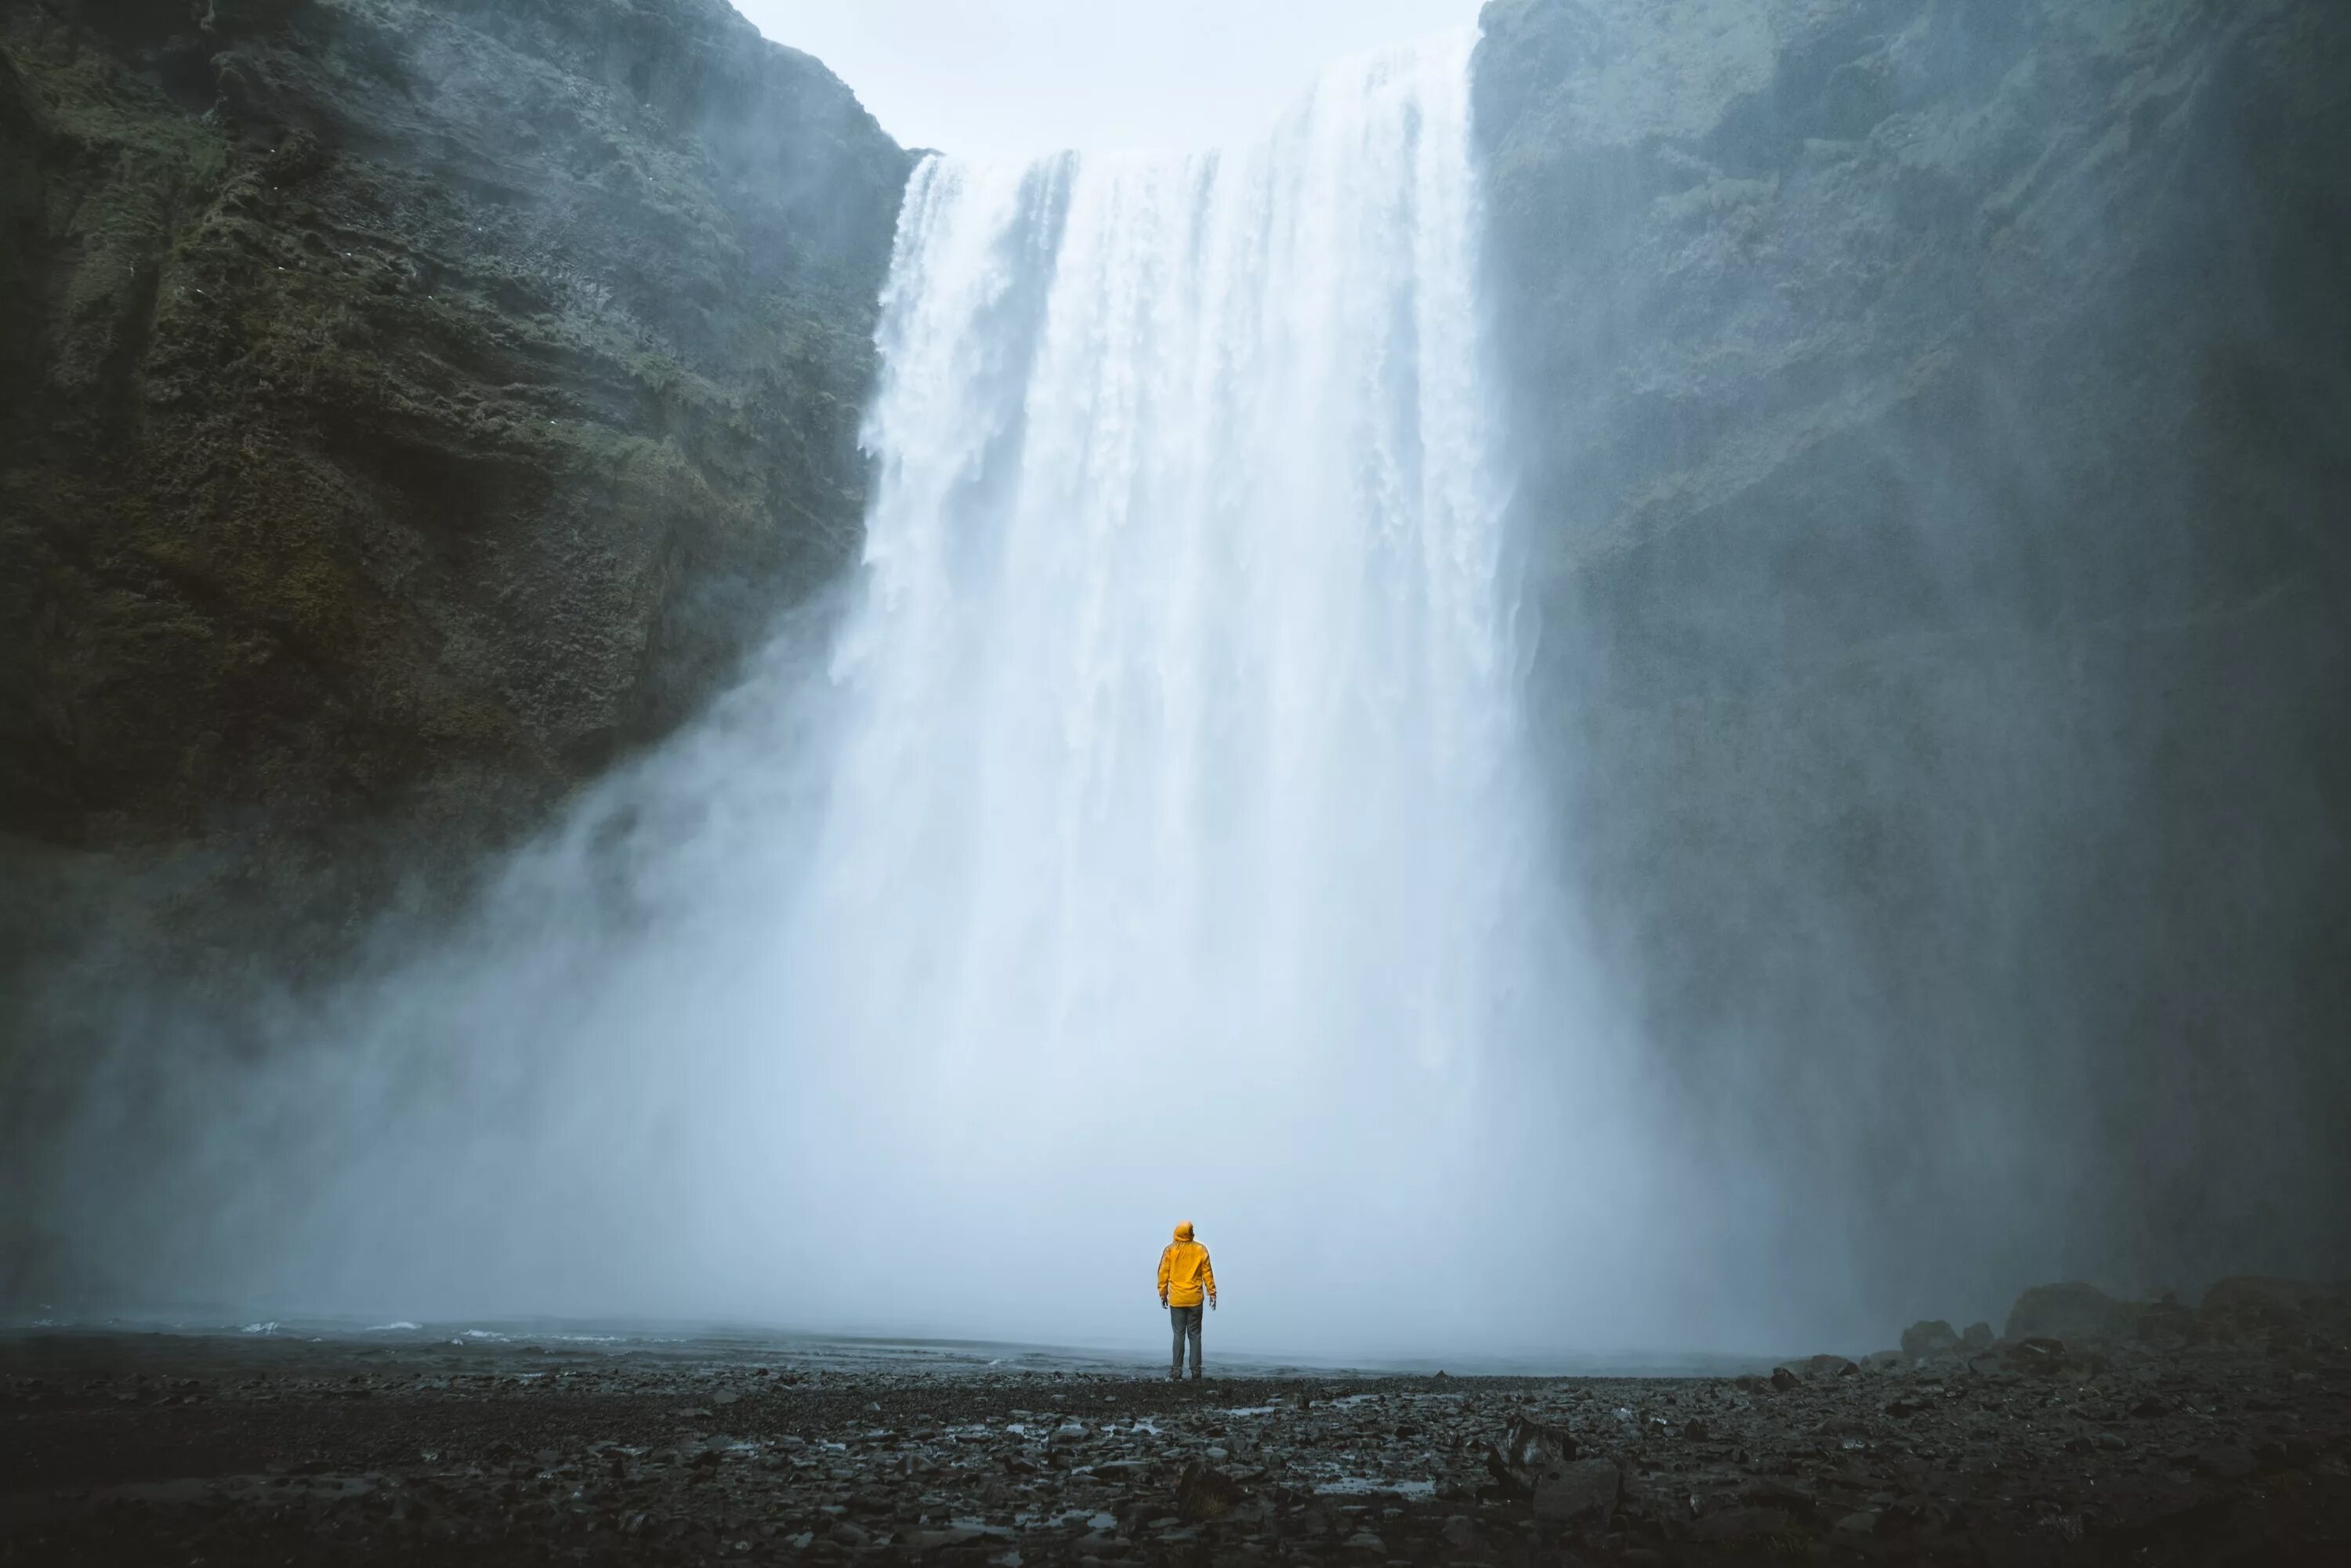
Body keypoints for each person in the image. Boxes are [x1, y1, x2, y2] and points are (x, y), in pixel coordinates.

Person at [1155, 1220, 1217, 1381]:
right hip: (1195, 1299)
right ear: (1190, 1232)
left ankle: (1177, 1371)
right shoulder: (1200, 1249)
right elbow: (1207, 1273)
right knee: (1195, 1335)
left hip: (1177, 1300)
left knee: (1179, 1335)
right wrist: (1212, 1292)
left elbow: (1163, 1273)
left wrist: (1163, 1293)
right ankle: (1196, 1372)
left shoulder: (1170, 1251)